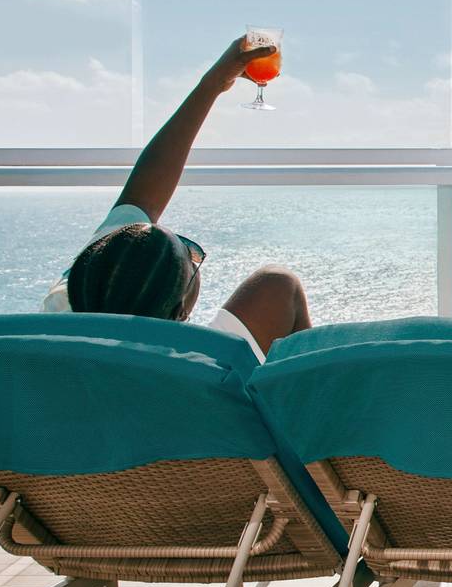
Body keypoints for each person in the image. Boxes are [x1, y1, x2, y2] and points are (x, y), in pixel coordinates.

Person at [42, 36, 312, 361]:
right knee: (278, 282)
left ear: (79, 278)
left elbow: (143, 195)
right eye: (189, 256)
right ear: (182, 310)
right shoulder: (208, 371)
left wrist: (213, 84)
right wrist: (212, 83)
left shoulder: (54, 323)